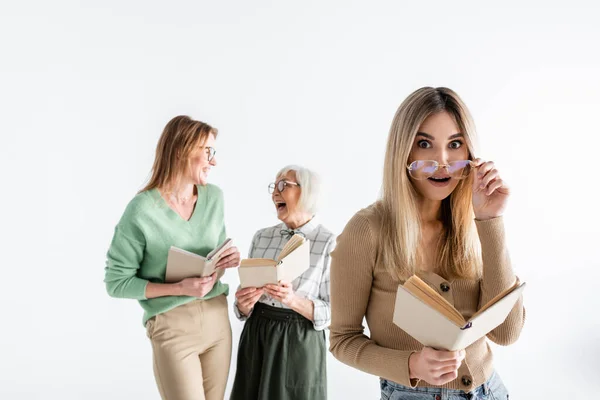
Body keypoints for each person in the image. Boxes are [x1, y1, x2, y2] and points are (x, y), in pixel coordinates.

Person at [329, 87, 525, 400]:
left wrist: (491, 221)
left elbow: (507, 332)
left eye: (455, 144)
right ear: (404, 152)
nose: (442, 161)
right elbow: (342, 340)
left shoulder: (477, 222)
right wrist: (411, 365)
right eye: (424, 144)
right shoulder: (366, 230)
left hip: (491, 391)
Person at [104, 115, 241, 400]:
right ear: (181, 149)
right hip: (172, 325)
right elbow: (116, 283)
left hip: (217, 320)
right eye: (207, 152)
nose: (213, 161)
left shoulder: (214, 197)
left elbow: (213, 268)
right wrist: (180, 288)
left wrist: (222, 264)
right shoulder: (141, 210)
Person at [230, 165, 335, 400]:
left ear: (306, 192)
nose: (275, 193)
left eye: (283, 185)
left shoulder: (328, 242)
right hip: (257, 332)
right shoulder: (262, 236)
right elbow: (242, 301)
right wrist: (244, 304)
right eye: (274, 187)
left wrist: (291, 299)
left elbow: (333, 313)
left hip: (299, 339)